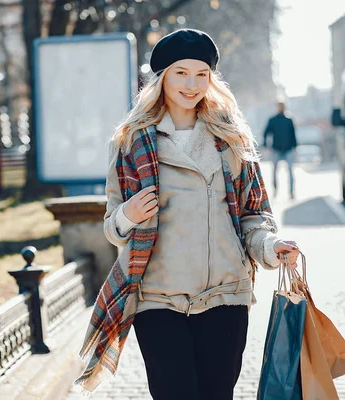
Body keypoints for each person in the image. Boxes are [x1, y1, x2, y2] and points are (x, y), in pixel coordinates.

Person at [75, 29, 302, 399]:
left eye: (201, 74)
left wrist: (271, 245)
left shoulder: (232, 139)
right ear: (161, 77)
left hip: (226, 296)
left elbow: (254, 216)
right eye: (181, 72)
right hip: (158, 299)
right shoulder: (132, 141)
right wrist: (129, 215)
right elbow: (113, 227)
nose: (191, 83)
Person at [263, 102, 298, 199]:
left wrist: (295, 147)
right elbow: (266, 132)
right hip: (276, 149)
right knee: (274, 171)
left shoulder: (289, 120)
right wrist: (265, 144)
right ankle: (275, 190)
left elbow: (293, 134)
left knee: (291, 171)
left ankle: (291, 192)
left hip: (288, 149)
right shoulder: (273, 120)